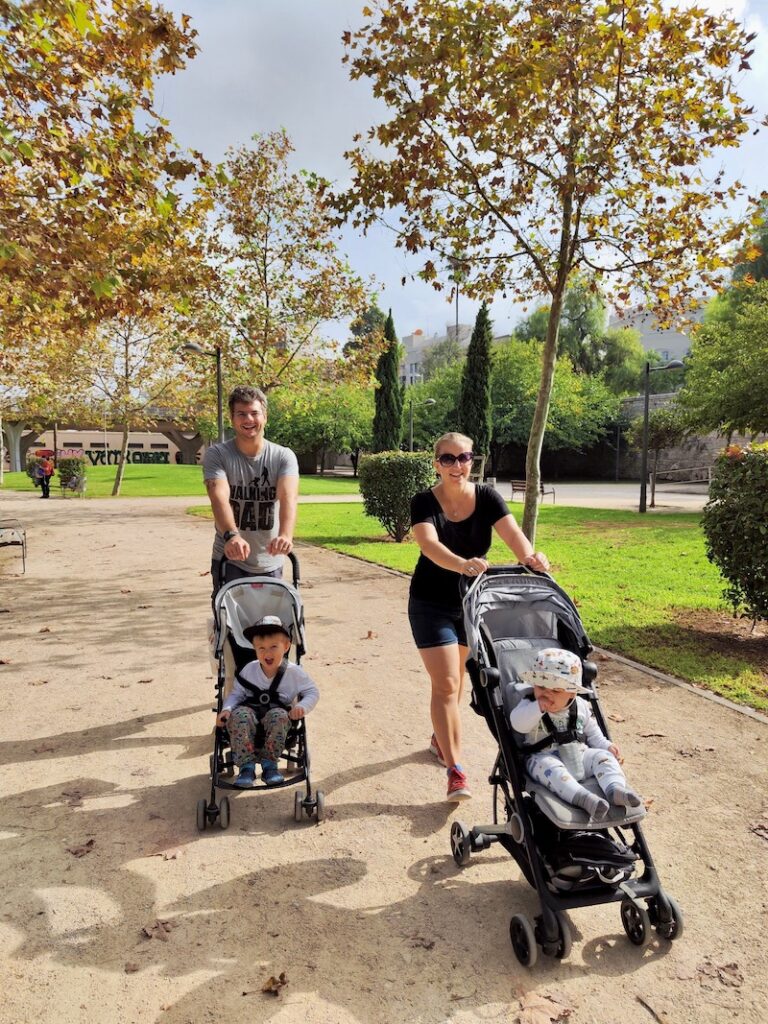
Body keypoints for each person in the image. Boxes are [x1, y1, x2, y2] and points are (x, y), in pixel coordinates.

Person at [409, 432, 550, 802]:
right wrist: (463, 565)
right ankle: (456, 770)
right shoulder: (423, 501)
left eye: (464, 458)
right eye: (448, 459)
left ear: (473, 460)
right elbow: (429, 545)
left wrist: (531, 558)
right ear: (436, 463)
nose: (458, 466)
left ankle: (440, 740)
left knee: (454, 685)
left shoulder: (487, 497)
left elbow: (514, 536)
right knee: (446, 683)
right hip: (431, 602)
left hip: (473, 604)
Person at [510, 647, 643, 820]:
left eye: (556, 690)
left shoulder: (580, 706)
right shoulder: (529, 704)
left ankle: (615, 789)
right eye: (541, 686)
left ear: (572, 692)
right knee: (554, 770)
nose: (547, 693)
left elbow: (593, 732)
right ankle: (584, 798)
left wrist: (606, 746)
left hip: (578, 754)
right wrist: (537, 708)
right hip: (542, 757)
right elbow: (518, 724)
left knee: (603, 757)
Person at [203, 385, 299, 598]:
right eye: (241, 414)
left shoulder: (283, 456)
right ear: (232, 418)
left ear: (264, 416)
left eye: (254, 413)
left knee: (270, 625)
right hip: (229, 557)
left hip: (269, 560)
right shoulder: (217, 454)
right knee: (229, 624)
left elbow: (288, 497)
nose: (248, 420)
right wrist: (232, 535)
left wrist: (285, 535)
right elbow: (219, 497)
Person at [216, 615, 319, 787]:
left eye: (273, 647)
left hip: (278, 717)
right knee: (239, 714)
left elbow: (312, 691)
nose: (267, 653)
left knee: (279, 715)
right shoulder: (249, 670)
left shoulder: (294, 673)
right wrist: (226, 709)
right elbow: (236, 694)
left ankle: (270, 764)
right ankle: (246, 767)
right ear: (255, 649)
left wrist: (302, 706)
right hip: (249, 714)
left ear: (286, 647)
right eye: (261, 648)